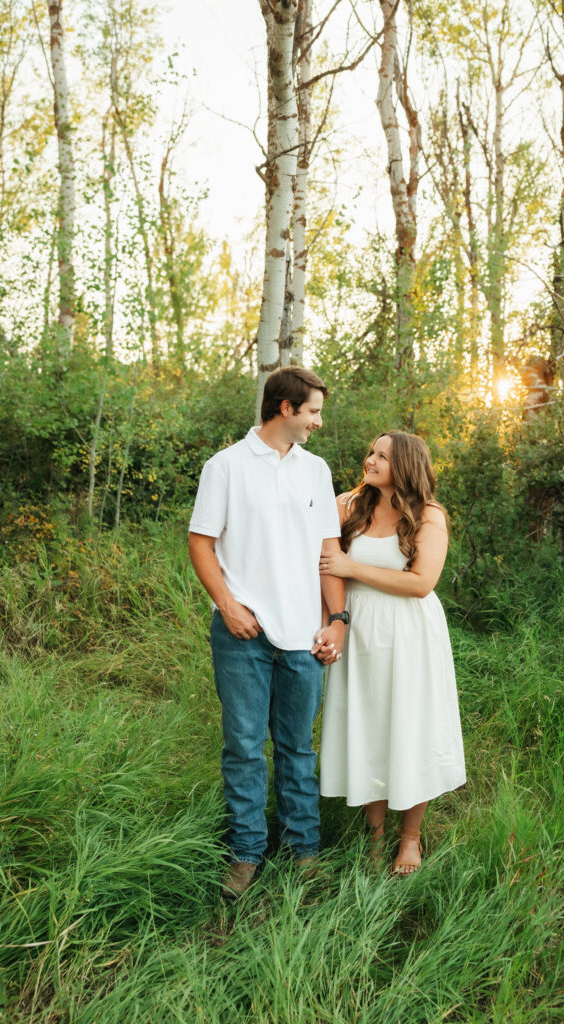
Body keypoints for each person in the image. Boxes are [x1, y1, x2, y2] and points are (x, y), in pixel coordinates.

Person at [188, 366, 347, 898]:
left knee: (298, 748)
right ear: (286, 408)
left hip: (304, 634)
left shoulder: (316, 471)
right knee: (243, 747)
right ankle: (246, 853)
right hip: (243, 634)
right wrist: (228, 606)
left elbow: (330, 554)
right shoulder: (226, 466)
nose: (318, 423)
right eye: (314, 412)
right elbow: (201, 543)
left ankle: (304, 852)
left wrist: (336, 621)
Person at [318, 431, 466, 875]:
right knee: (369, 727)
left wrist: (352, 566)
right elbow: (328, 565)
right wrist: (336, 618)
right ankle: (375, 837)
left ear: (405, 464)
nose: (370, 460)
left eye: (382, 455)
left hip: (410, 633)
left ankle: (411, 838)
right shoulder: (348, 505)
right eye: (370, 452)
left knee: (410, 727)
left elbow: (421, 583)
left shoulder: (428, 515)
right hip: (359, 627)